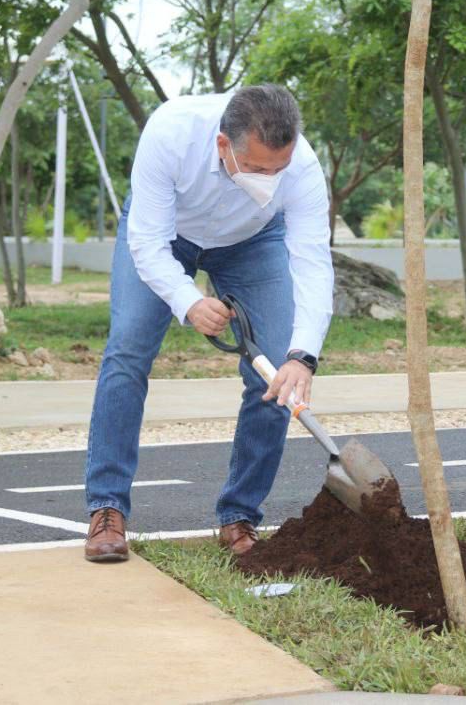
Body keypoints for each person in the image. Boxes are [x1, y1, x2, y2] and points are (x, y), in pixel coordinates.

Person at [83, 85, 333, 562]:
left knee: (275, 374)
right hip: (167, 235)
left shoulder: (300, 165)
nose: (270, 178)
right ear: (224, 145)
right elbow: (148, 243)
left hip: (254, 241)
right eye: (258, 169)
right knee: (127, 351)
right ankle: (107, 508)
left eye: (277, 170)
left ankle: (239, 515)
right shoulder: (171, 130)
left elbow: (313, 263)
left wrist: (304, 356)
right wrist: (188, 301)